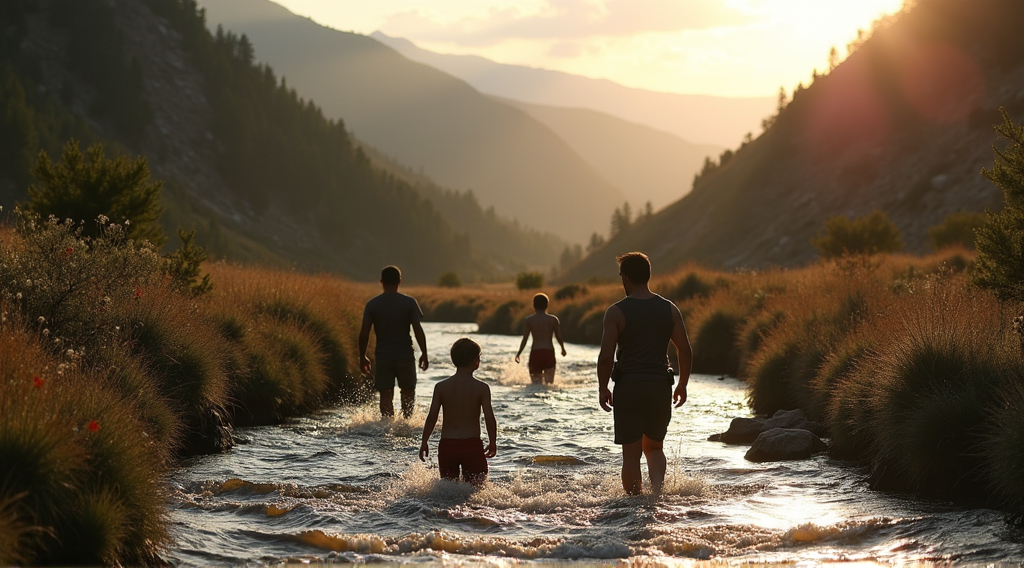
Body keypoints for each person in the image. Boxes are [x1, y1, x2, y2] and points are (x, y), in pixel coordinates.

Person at [596, 252, 691, 495]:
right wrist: (682, 385)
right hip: (660, 386)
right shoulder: (670, 309)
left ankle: (632, 505)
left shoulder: (616, 312)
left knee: (631, 454)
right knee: (655, 449)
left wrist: (603, 387)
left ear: (625, 278)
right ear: (648, 275)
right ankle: (657, 496)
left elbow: (606, 356)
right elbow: (685, 350)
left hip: (629, 387)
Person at [419, 338, 497, 485]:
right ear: (475, 361)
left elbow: (432, 417)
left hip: (448, 446)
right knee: (476, 489)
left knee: (448, 489)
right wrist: (492, 442)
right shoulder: (482, 388)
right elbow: (489, 417)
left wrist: (424, 441)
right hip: (471, 445)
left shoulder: (441, 387)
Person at [359, 265, 429, 419]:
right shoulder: (410, 302)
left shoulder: (372, 305)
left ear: (381, 282)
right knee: (408, 391)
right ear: (400, 281)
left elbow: (364, 334)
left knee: (385, 393)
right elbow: (418, 330)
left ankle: (387, 426)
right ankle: (407, 424)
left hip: (383, 357)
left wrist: (362, 356)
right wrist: (424, 353)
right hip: (405, 356)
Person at [514, 293, 567, 384]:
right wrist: (563, 349)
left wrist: (519, 353)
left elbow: (525, 338)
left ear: (534, 305)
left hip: (535, 353)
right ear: (547, 305)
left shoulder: (529, 320)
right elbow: (558, 336)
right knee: (549, 385)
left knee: (535, 386)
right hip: (549, 353)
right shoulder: (553, 320)